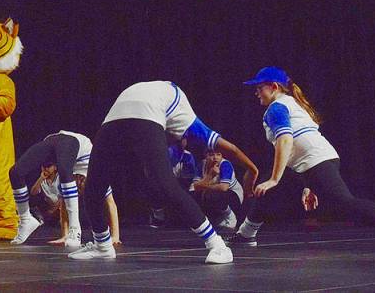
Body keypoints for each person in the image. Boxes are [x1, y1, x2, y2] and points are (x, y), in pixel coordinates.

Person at [229, 66, 375, 251]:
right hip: (316, 160)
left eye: (259, 88)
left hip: (316, 160)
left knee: (345, 202)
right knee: (266, 189)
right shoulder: (290, 104)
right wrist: (308, 185)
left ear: (273, 87)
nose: (256, 92)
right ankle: (246, 234)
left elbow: (286, 141)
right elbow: (299, 145)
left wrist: (275, 179)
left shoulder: (276, 108)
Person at [68, 81, 259, 264]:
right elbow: (231, 148)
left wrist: (251, 169)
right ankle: (102, 246)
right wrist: (252, 169)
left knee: (104, 186)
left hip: (125, 112)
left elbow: (228, 149)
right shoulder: (182, 112)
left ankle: (217, 244)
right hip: (125, 114)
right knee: (98, 185)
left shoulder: (182, 118)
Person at [30, 162, 120, 246]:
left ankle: (110, 233)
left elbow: (110, 203)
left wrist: (115, 236)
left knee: (100, 203)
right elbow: (64, 206)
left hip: (88, 165)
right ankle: (67, 234)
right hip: (74, 168)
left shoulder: (96, 179)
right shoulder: (65, 181)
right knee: (67, 201)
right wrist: (65, 235)